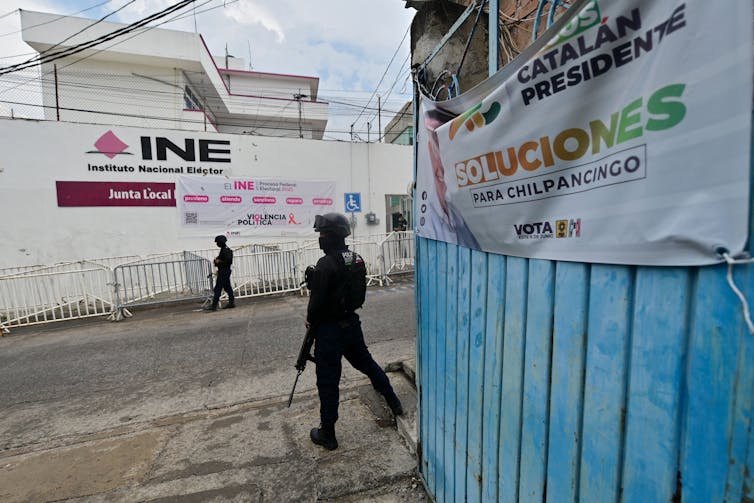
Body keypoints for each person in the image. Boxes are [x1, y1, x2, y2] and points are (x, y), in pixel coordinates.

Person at [305, 213, 403, 450]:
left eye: (323, 234)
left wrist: (310, 320)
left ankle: (328, 432)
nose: (320, 238)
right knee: (367, 364)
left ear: (333, 236)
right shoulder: (356, 259)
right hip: (351, 324)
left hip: (329, 330)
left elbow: (317, 302)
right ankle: (393, 400)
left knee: (328, 381)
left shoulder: (325, 263)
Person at [420, 107, 480, 249]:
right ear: (429, 147)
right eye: (435, 142)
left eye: (448, 144)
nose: (440, 157)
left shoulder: (468, 216)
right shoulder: (428, 215)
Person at [205, 235, 235, 311]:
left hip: (224, 272)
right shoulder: (223, 249)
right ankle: (231, 302)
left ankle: (214, 305)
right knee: (227, 287)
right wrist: (217, 261)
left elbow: (228, 261)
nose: (217, 244)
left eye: (217, 242)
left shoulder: (226, 250)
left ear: (220, 242)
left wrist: (218, 262)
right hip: (223, 271)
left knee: (218, 288)